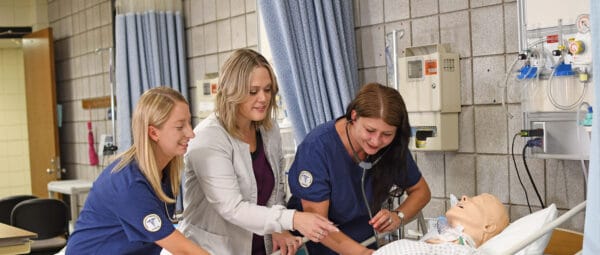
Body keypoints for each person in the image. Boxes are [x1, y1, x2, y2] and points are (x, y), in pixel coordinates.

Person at [179, 49, 339, 255]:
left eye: (268, 89)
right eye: (253, 91)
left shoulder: (268, 130)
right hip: (212, 249)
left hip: (257, 247)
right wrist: (292, 219)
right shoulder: (209, 138)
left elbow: (275, 192)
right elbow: (232, 208)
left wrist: (277, 229)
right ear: (232, 91)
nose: (263, 98)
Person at [287, 82, 432, 255]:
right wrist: (364, 253)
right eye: (370, 130)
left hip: (366, 242)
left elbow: (421, 191)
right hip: (321, 246)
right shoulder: (318, 148)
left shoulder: (392, 148)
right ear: (354, 116)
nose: (376, 141)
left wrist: (398, 216)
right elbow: (318, 226)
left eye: (387, 134)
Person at [66, 87, 209, 255]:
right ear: (154, 133)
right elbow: (183, 250)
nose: (191, 133)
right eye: (180, 127)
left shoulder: (164, 172)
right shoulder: (129, 183)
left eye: (189, 123)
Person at [373, 193, 509, 255]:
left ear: (488, 227)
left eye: (477, 201)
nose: (465, 197)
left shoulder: (467, 252)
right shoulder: (434, 243)